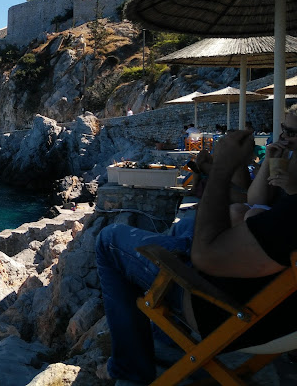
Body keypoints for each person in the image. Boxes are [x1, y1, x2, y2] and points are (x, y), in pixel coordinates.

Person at [95, 129, 297, 385]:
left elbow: (206, 256)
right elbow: (253, 205)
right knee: (185, 227)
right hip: (256, 299)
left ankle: (129, 371)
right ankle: (166, 336)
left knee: (108, 240)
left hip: (221, 307)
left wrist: (223, 167)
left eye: (292, 132)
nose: (283, 138)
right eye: (284, 130)